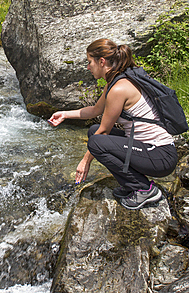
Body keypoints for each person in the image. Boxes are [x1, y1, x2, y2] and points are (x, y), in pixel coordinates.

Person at [48, 38, 178, 210]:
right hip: (149, 150)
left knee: (96, 140)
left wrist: (85, 162)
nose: (88, 67)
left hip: (160, 155)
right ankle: (132, 185)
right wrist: (65, 114)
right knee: (93, 131)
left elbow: (103, 133)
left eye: (89, 62)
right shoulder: (115, 82)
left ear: (101, 62)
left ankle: (144, 189)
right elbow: (95, 110)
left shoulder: (119, 88)